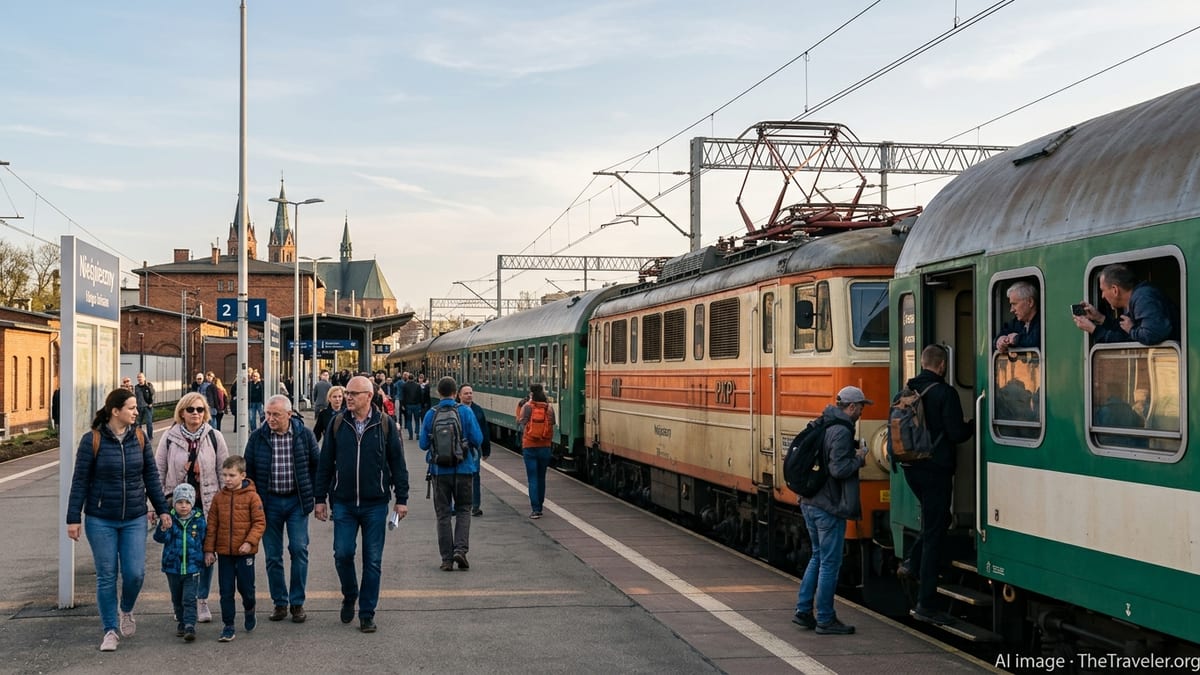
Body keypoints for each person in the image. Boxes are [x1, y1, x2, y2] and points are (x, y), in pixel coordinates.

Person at [66, 388, 171, 652]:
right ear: (115, 411)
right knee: (107, 575)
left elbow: (151, 476)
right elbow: (80, 481)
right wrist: (73, 518)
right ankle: (110, 630)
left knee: (135, 573)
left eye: (136, 408)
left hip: (134, 517)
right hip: (101, 518)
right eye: (132, 408)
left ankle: (126, 608)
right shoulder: (92, 440)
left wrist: (162, 509)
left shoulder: (140, 437)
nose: (137, 412)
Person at [314, 375, 409, 633]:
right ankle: (350, 593)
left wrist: (401, 499)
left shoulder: (385, 425)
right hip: (343, 503)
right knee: (342, 553)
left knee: (373, 560)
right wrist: (320, 499)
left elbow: (398, 463)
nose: (348, 397)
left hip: (375, 504)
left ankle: (367, 613)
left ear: (368, 396)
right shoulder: (337, 423)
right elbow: (325, 463)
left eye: (354, 394)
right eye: (347, 393)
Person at [897, 345, 974, 626]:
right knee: (934, 533)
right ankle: (926, 604)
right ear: (942, 365)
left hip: (911, 469)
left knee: (936, 521)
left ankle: (911, 562)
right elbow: (956, 433)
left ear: (922, 363)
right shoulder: (945, 393)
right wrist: (973, 425)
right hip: (935, 471)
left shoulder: (906, 392)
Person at [792, 386, 870, 636]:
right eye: (861, 407)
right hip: (827, 506)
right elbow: (838, 469)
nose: (862, 411)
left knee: (817, 557)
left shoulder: (824, 422)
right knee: (829, 563)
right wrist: (859, 458)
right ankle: (825, 618)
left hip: (810, 501)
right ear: (851, 406)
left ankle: (803, 610)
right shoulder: (841, 431)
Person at [244, 395, 320, 623]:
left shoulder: (304, 435)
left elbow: (316, 466)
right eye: (267, 414)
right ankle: (280, 602)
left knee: (299, 549)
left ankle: (297, 602)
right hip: (269, 503)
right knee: (273, 555)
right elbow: (249, 472)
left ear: (289, 414)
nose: (270, 418)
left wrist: (317, 496)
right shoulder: (257, 437)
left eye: (275, 414)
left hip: (297, 501)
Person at [155, 392, 230, 624]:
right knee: (178, 553)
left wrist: (225, 505)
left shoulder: (214, 437)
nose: (195, 413)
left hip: (206, 506)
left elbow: (224, 473)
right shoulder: (169, 438)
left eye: (200, 409)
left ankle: (201, 599)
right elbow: (158, 472)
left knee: (206, 553)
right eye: (191, 409)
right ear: (182, 412)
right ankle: (181, 602)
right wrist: (157, 506)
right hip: (178, 508)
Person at [420, 377, 484, 571]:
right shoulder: (465, 411)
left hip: (439, 471)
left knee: (443, 515)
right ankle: (460, 550)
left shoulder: (431, 414)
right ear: (456, 393)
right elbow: (477, 438)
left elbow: (423, 444)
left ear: (438, 393)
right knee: (464, 510)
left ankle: (446, 559)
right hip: (464, 469)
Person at [203, 455, 265, 643]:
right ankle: (228, 625)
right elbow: (212, 526)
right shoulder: (218, 498)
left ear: (242, 475)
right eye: (225, 475)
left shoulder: (252, 497)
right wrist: (209, 550)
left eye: (232, 475)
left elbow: (259, 523)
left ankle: (250, 608)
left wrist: (249, 542)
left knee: (246, 588)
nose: (227, 479)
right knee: (226, 590)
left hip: (245, 553)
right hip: (224, 553)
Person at [1073, 263, 1179, 345]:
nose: (1102, 296)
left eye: (1103, 290)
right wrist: (1099, 318)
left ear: (1115, 290)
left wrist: (1132, 330)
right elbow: (1122, 332)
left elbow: (1154, 333)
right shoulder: (1137, 298)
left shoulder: (1142, 298)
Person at [153, 483, 207, 642]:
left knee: (189, 598)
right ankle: (182, 622)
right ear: (174, 503)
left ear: (192, 503)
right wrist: (163, 528)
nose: (183, 506)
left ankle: (190, 625)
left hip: (192, 567)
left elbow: (205, 539)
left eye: (187, 502)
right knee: (177, 598)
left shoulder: (199, 520)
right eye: (180, 502)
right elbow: (159, 538)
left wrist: (208, 554)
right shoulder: (170, 519)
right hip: (173, 568)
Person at [517, 383, 557, 519]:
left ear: (531, 393)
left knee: (532, 478)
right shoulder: (549, 408)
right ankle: (540, 503)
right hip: (545, 446)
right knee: (541, 477)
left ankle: (535, 509)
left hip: (529, 447)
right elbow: (552, 424)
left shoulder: (527, 406)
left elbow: (521, 423)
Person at [457, 384, 491, 517]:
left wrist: (486, 449)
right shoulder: (455, 410)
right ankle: (462, 504)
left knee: (475, 476)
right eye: (466, 393)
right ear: (459, 395)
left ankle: (475, 506)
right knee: (460, 477)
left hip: (473, 450)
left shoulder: (478, 410)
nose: (469, 395)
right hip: (457, 449)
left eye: (470, 393)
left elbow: (484, 430)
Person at [995, 280, 1040, 354]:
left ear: (1030, 302)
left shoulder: (1042, 321)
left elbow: (1036, 341)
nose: (1011, 310)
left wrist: (1016, 339)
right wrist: (1000, 340)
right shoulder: (1015, 323)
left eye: (1014, 304)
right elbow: (999, 336)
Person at [134, 373, 156, 440]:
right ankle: (139, 437)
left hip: (147, 407)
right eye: (138, 377)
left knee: (149, 423)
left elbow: (153, 394)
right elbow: (135, 396)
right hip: (139, 407)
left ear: (144, 378)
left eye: (141, 377)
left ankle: (150, 437)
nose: (139, 378)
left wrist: (151, 403)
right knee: (138, 423)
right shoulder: (136, 387)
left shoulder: (148, 386)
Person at [402, 373, 422, 440]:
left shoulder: (405, 385)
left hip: (408, 405)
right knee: (417, 420)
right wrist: (420, 404)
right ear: (414, 378)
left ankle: (410, 435)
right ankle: (417, 434)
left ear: (408, 378)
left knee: (409, 420)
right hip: (416, 405)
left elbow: (403, 396)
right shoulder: (418, 386)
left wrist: (403, 405)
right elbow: (420, 396)